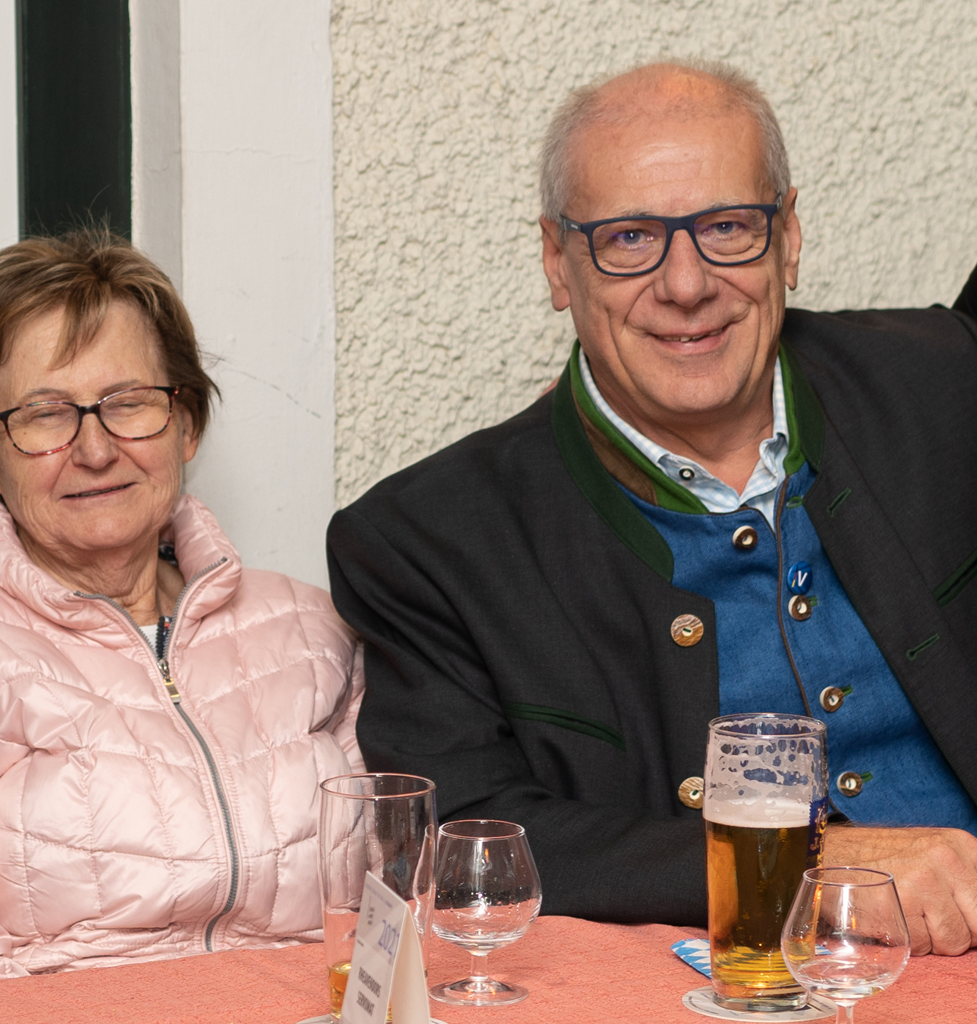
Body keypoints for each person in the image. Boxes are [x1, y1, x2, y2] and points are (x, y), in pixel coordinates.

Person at [328, 59, 977, 953]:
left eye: (727, 226)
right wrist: (808, 864)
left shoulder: (949, 383)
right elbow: (465, 840)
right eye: (630, 238)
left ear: (788, 235)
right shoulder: (430, 543)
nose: (685, 284)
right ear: (559, 262)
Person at [0, 229, 365, 977]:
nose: (97, 449)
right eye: (44, 415)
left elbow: (386, 916)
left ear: (187, 423)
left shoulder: (308, 629)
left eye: (129, 403)